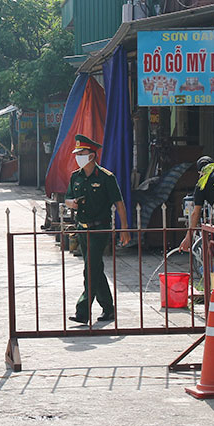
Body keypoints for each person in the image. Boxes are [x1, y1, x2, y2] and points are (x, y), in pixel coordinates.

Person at [64, 134, 130, 324]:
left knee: (90, 269)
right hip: (82, 228)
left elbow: (119, 204)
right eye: (77, 153)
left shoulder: (106, 177)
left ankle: (83, 310)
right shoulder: (75, 176)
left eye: (82, 153)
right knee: (95, 268)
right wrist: (73, 203)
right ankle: (108, 309)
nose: (78, 156)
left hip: (99, 229)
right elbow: (67, 198)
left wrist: (124, 229)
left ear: (91, 155)